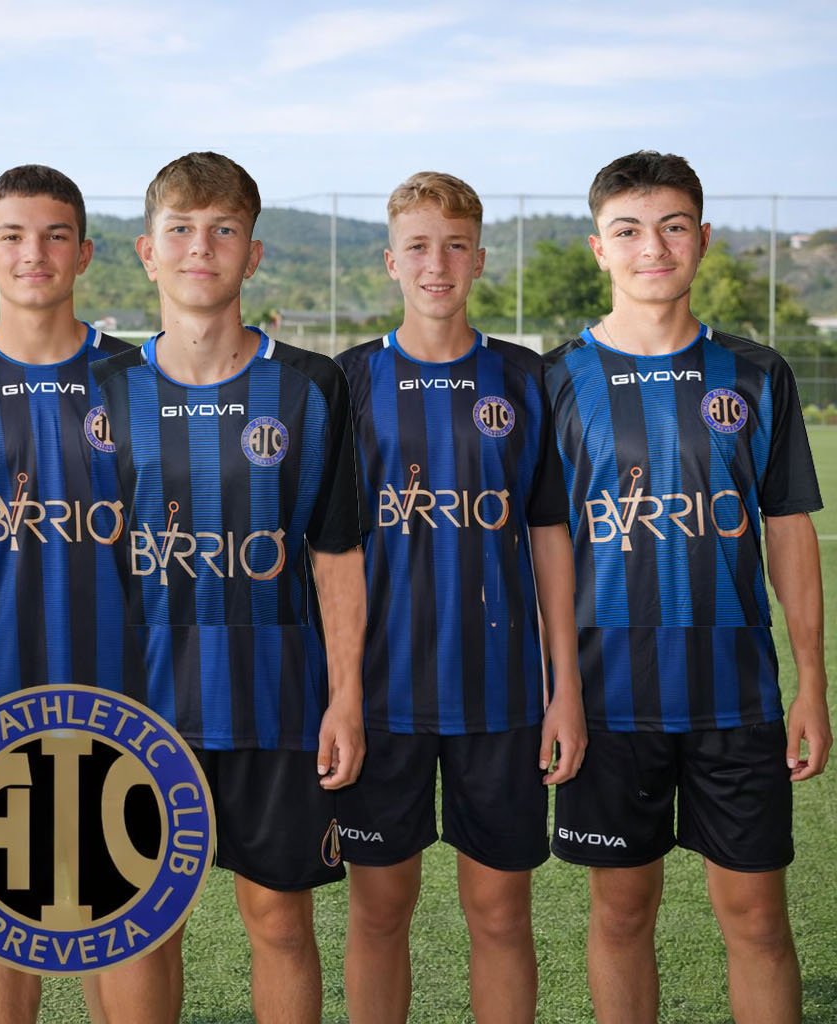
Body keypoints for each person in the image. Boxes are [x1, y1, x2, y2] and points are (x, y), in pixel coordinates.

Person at [545, 150, 830, 1024]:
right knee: (621, 915)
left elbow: (788, 530)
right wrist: (555, 692)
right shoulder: (555, 380)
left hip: (736, 699)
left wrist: (812, 682)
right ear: (599, 248)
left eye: (672, 228)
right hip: (607, 699)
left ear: (702, 239)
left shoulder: (756, 373)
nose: (653, 248)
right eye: (629, 230)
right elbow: (541, 549)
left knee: (758, 920)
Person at [90, 151, 368, 1024]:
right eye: (180, 229)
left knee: (280, 922)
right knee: (142, 926)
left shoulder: (312, 386)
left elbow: (336, 557)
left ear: (253, 254)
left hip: (277, 705)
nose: (200, 248)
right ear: (148, 252)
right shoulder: (102, 390)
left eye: (223, 230)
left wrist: (347, 699)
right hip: (138, 709)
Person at [333, 170, 586, 1023]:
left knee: (502, 914)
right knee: (378, 912)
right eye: (417, 247)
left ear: (479, 259)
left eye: (454, 246)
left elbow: (549, 537)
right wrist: (337, 694)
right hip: (382, 698)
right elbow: (330, 553)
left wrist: (564, 688)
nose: (436, 264)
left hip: (502, 698)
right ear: (390, 262)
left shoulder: (525, 378)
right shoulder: (348, 381)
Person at [0, 163, 139, 1024]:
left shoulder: (137, 376)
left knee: (121, 913)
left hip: (120, 692)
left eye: (56, 236)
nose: (35, 254)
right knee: (2, 908)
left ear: (84, 253)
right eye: (14, 237)